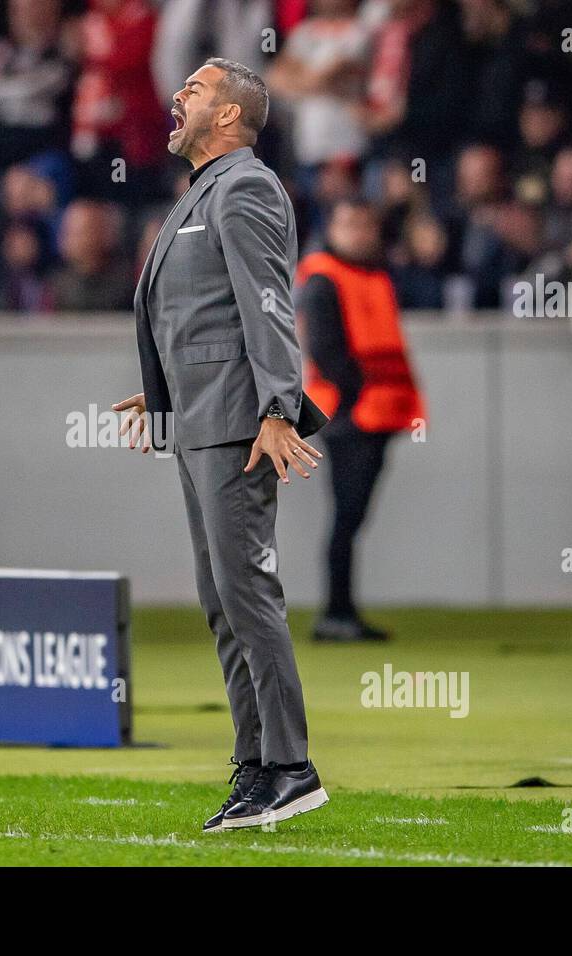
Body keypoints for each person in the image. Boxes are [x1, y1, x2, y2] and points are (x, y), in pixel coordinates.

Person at [112, 58, 329, 832]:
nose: (178, 96)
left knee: (247, 595)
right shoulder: (202, 193)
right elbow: (203, 317)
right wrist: (165, 388)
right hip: (203, 419)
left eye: (196, 90)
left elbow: (268, 303)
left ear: (231, 116)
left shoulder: (246, 188)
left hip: (239, 425)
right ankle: (255, 764)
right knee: (223, 602)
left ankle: (291, 767)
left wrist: (277, 406)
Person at [299, 199, 425, 643]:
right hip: (351, 416)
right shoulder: (323, 280)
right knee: (346, 518)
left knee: (350, 518)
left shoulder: (372, 273)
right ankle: (336, 612)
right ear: (330, 228)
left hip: (376, 413)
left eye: (364, 223)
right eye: (348, 221)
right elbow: (327, 351)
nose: (358, 231)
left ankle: (341, 611)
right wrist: (355, 395)